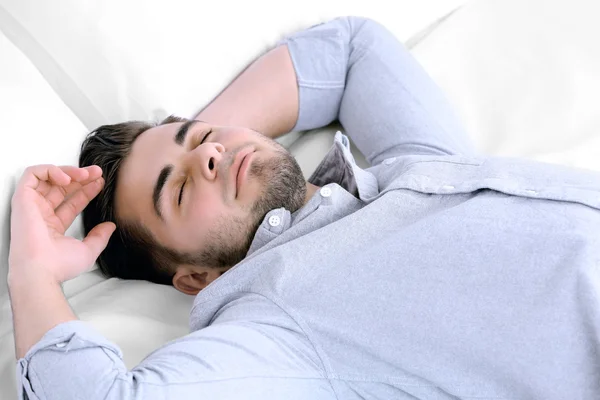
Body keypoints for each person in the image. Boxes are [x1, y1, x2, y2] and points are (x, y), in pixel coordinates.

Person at [7, 16, 600, 400]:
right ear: (194, 278)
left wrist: (213, 147)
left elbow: (350, 50)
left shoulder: (411, 169)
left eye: (202, 136)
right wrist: (32, 273)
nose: (211, 156)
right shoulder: (277, 325)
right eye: (181, 190)